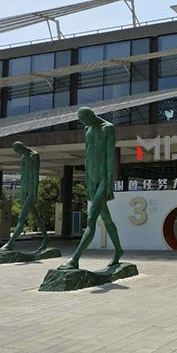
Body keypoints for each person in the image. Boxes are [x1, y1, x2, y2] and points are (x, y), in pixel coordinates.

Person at [58, 108, 124, 270]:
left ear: (92, 116)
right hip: (92, 181)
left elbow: (110, 157)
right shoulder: (87, 129)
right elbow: (87, 157)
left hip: (103, 180)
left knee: (91, 219)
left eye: (84, 119)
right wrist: (87, 184)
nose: (83, 123)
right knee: (106, 218)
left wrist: (109, 184)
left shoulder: (108, 128)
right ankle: (119, 250)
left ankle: (75, 259)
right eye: (81, 120)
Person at [0, 142, 49, 252]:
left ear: (22, 147)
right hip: (25, 190)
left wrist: (35, 193)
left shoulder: (34, 155)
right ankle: (46, 239)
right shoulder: (22, 157)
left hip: (31, 191)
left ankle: (10, 244)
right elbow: (23, 176)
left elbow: (35, 175)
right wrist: (22, 192)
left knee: (21, 218)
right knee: (36, 217)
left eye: (17, 150)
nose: (17, 153)